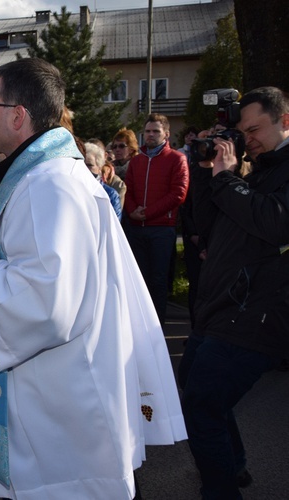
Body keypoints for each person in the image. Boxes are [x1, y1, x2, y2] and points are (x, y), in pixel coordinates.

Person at [0, 57, 185, 499]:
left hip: (59, 390)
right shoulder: (46, 175)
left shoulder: (49, 183)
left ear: (18, 115)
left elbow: (45, 303)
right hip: (59, 380)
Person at [179, 86, 289, 499]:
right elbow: (209, 222)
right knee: (196, 389)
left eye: (256, 129)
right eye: (243, 132)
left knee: (202, 405)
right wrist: (210, 171)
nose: (249, 139)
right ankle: (234, 464)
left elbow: (277, 223)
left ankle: (221, 490)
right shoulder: (254, 169)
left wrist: (228, 178)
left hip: (257, 312)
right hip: (219, 306)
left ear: (285, 121)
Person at [124, 114, 189, 325]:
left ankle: (156, 327)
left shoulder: (177, 159)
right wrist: (133, 211)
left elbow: (178, 193)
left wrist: (147, 212)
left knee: (158, 281)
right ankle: (138, 325)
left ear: (166, 134)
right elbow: (129, 189)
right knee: (138, 280)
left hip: (161, 229)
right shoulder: (136, 161)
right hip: (136, 228)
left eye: (156, 131)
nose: (150, 135)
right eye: (148, 131)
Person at [85, 141, 122, 219]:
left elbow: (114, 226)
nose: (85, 169)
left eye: (90, 165)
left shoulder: (110, 194)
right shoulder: (73, 190)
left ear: (99, 167)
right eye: (82, 165)